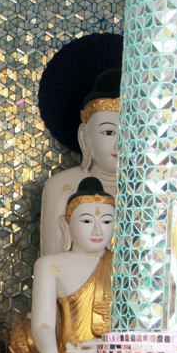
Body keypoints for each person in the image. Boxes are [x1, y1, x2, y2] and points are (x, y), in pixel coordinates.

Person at [9, 177, 114, 353]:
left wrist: (110, 348)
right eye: (87, 221)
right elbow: (43, 324)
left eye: (107, 222)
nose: (97, 230)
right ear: (65, 225)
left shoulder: (124, 267)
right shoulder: (50, 265)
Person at [38, 33, 122, 256]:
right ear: (84, 136)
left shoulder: (151, 190)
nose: (120, 143)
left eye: (129, 132)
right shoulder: (61, 187)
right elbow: (51, 263)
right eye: (108, 132)